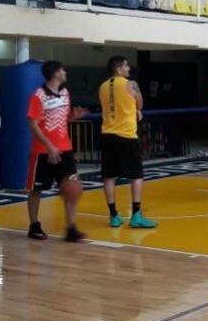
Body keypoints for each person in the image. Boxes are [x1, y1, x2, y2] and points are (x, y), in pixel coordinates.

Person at [26, 60, 88, 242]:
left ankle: (70, 228)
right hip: (43, 151)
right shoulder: (38, 96)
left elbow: (60, 119)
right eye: (63, 69)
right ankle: (34, 225)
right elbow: (33, 124)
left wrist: (72, 116)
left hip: (65, 150)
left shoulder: (65, 93)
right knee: (36, 190)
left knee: (72, 188)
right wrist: (49, 146)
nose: (65, 72)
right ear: (55, 73)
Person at [99, 56, 157, 228]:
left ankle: (114, 216)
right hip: (126, 135)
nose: (129, 69)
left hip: (107, 134)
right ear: (119, 70)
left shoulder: (102, 86)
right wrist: (137, 95)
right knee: (137, 175)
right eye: (126, 66)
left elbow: (114, 106)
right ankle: (136, 215)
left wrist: (132, 111)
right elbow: (139, 104)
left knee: (109, 176)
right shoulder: (130, 84)